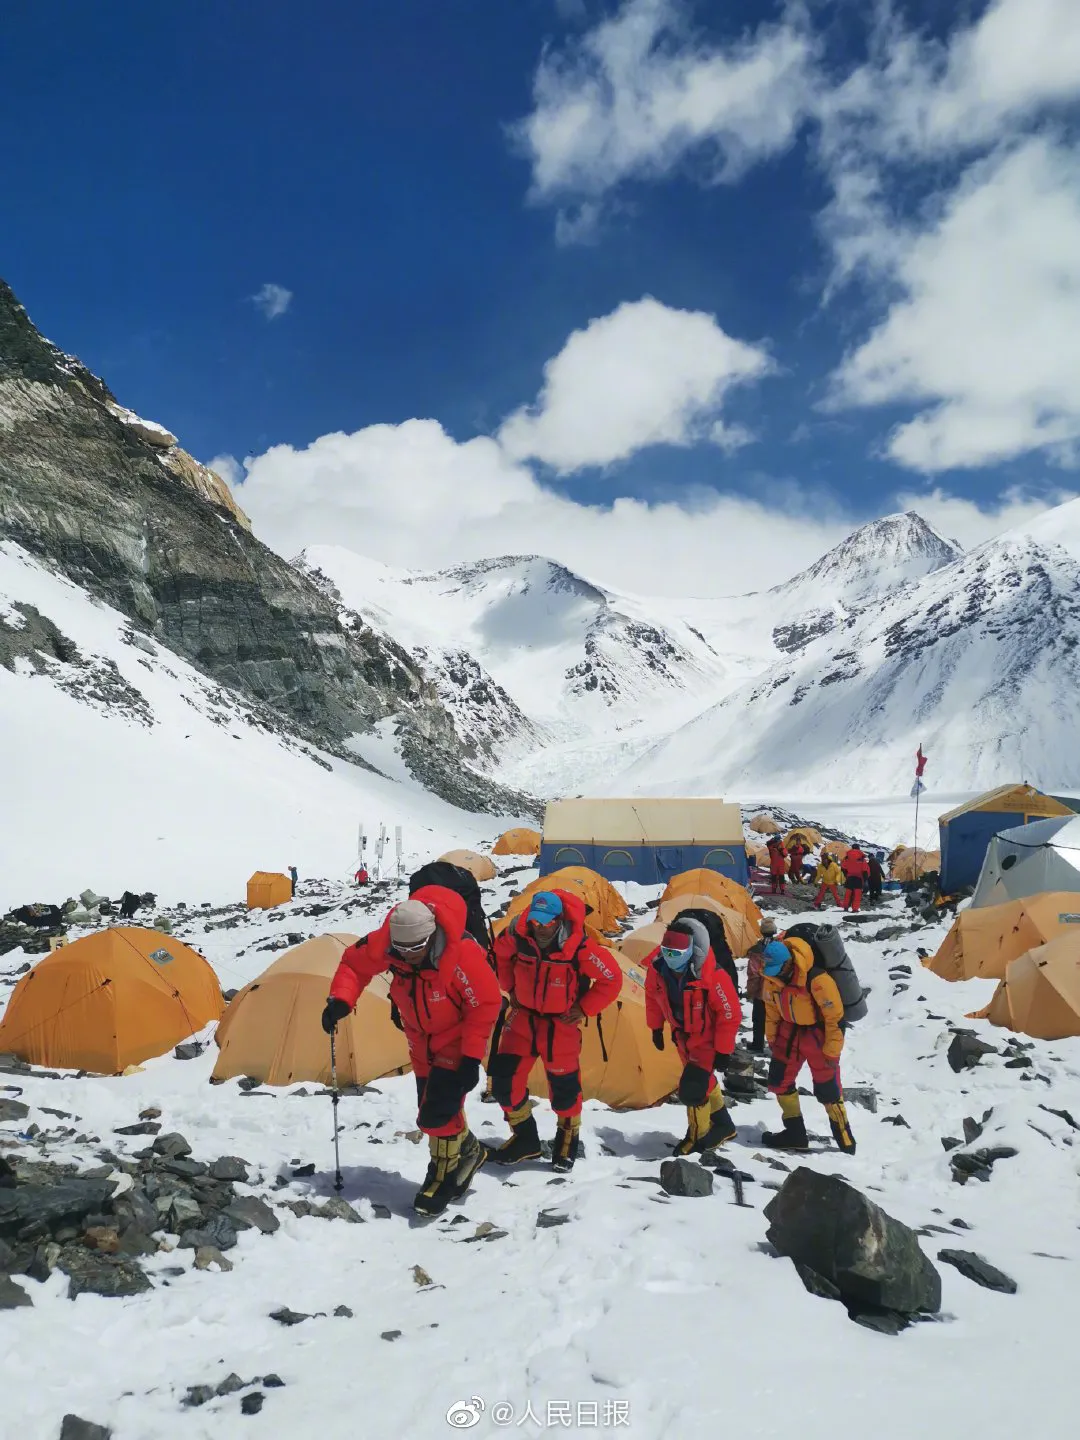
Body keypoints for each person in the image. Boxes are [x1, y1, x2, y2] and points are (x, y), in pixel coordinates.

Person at [322, 887, 502, 1216]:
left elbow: (486, 1005)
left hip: (455, 1041)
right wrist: (341, 999)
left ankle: (441, 1178)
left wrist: (472, 1058)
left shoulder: (462, 954)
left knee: (436, 1115)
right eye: (401, 950)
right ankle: (471, 1152)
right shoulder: (386, 942)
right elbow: (354, 964)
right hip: (418, 1040)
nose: (408, 956)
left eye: (416, 948)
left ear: (431, 935)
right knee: (432, 1107)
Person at [487, 890, 622, 1173]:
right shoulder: (517, 937)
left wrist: (584, 1008)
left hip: (560, 1026)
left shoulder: (581, 949)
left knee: (564, 1090)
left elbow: (611, 978)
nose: (540, 927)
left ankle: (567, 1140)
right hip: (523, 1019)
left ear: (559, 920)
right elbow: (500, 956)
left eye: (547, 922)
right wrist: (509, 987)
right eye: (535, 921)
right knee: (503, 1082)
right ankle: (525, 1139)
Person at [645, 919, 741, 1154]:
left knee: (691, 1089)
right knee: (703, 1081)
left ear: (691, 951)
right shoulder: (658, 970)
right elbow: (653, 999)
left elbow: (729, 1014)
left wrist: (723, 1050)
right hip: (682, 1036)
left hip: (706, 1039)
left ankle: (697, 1137)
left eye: (676, 952)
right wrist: (656, 1028)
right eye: (666, 951)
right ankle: (724, 1125)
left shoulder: (713, 976)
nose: (670, 956)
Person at [760, 936, 855, 1154]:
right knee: (779, 1080)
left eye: (778, 969)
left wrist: (832, 1052)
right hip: (789, 1030)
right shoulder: (772, 978)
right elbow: (771, 1012)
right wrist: (773, 1039)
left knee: (827, 1087)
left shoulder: (817, 979)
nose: (774, 973)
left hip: (817, 1034)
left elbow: (835, 1018)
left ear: (789, 962)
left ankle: (845, 1138)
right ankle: (795, 1134)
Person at [744, 917, 776, 1053]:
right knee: (774, 1019)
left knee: (758, 1018)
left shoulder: (756, 950)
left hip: (760, 990)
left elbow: (753, 972)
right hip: (774, 990)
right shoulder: (780, 947)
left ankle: (758, 1044)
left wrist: (751, 989)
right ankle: (775, 1046)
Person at [841, 846, 869, 912]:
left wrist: (846, 875)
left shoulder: (847, 857)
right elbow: (865, 870)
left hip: (850, 878)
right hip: (858, 878)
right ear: (858, 849)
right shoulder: (862, 858)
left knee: (848, 894)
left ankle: (845, 907)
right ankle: (855, 909)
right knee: (857, 895)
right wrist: (864, 880)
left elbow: (843, 868)